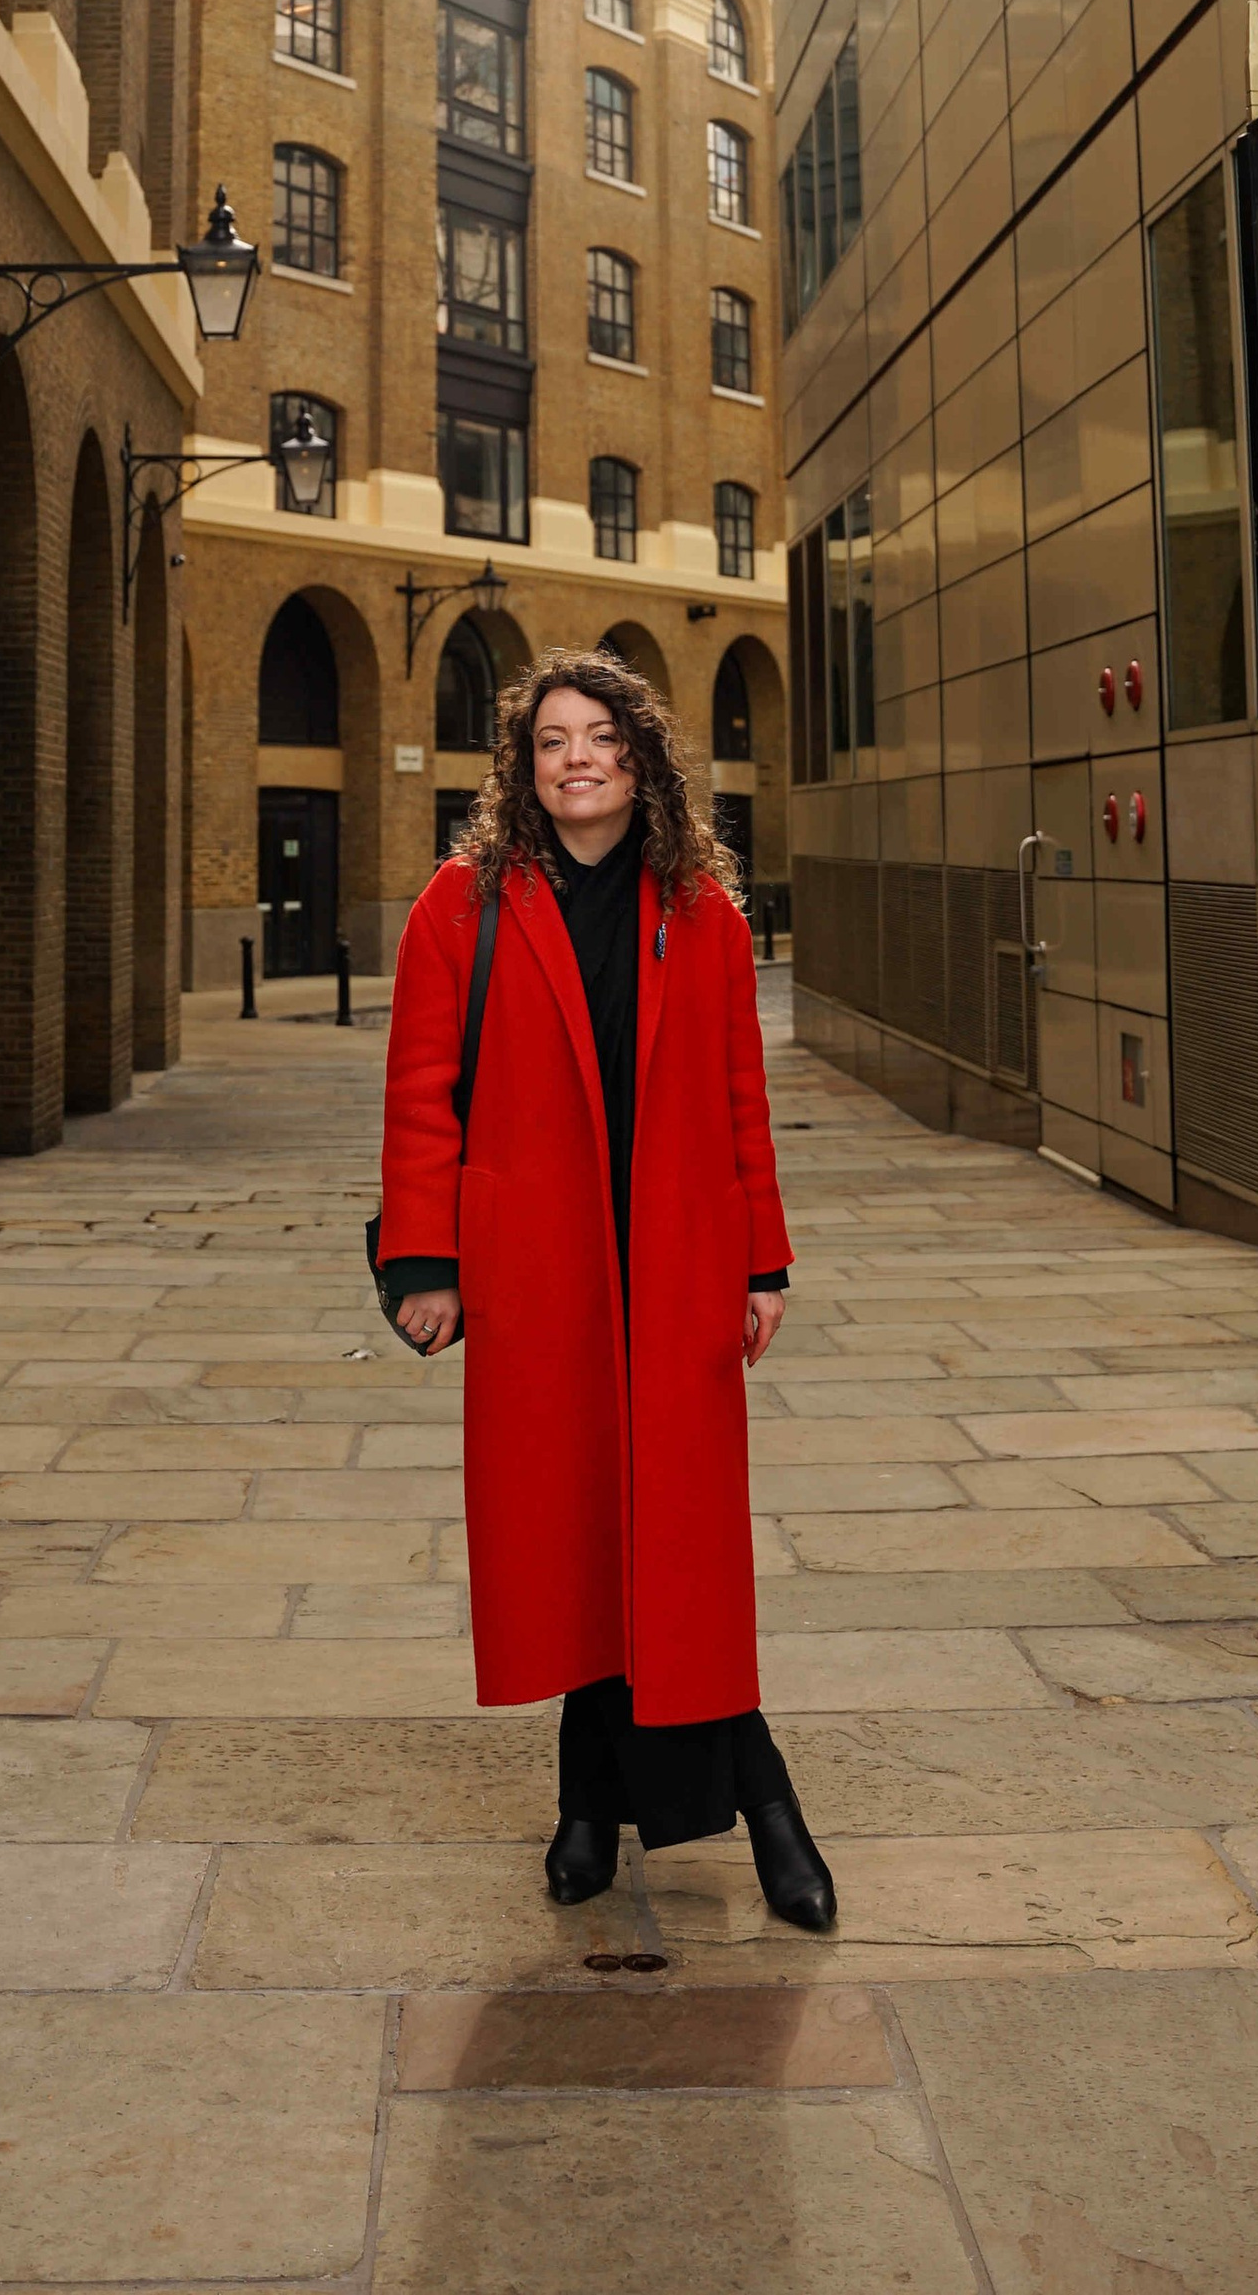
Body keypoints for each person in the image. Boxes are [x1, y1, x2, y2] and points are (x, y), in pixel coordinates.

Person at [375, 646, 836, 1931]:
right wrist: (424, 1262)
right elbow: (421, 1098)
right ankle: (592, 1804)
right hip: (539, 1277)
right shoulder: (457, 907)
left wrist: (763, 1258)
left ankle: (747, 1805)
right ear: (524, 771)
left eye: (601, 738)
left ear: (642, 762)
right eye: (551, 742)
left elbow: (745, 1107)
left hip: (679, 1265)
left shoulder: (707, 916)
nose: (576, 758)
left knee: (678, 1551)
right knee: (575, 1536)